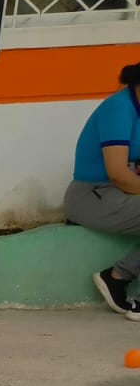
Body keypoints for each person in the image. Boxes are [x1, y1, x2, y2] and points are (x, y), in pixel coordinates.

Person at [65, 61, 140, 320]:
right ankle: (119, 278)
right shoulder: (119, 108)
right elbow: (118, 174)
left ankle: (118, 276)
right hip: (93, 195)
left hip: (123, 194)